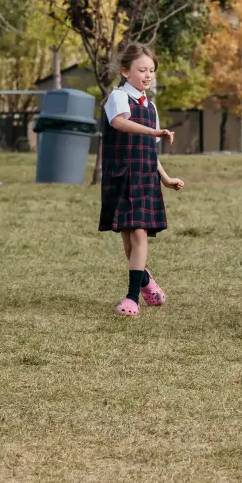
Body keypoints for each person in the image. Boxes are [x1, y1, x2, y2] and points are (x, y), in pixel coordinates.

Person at [99, 42, 185, 317]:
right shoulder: (118, 97)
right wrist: (153, 132)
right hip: (122, 176)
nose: (148, 75)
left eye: (151, 70)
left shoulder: (151, 106)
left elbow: (150, 150)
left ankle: (132, 298)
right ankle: (146, 281)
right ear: (125, 71)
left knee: (138, 234)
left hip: (145, 177)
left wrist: (165, 178)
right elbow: (120, 123)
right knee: (128, 241)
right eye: (142, 70)